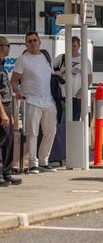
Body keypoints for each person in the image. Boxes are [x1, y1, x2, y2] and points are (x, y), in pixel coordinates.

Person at [10, 31, 57, 174]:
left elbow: (50, 75)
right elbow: (13, 80)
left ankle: (44, 161)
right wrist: (18, 91)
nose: (32, 43)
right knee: (32, 133)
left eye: (35, 40)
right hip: (31, 100)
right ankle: (32, 163)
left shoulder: (45, 57)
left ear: (39, 42)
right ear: (26, 44)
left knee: (50, 132)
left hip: (48, 100)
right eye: (29, 41)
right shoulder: (23, 59)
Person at [52, 36, 92, 122]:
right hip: (62, 96)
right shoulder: (62, 57)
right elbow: (49, 67)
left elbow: (89, 78)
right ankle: (62, 136)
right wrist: (57, 72)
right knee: (61, 121)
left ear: (79, 46)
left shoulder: (85, 60)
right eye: (70, 46)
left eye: (74, 46)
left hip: (76, 97)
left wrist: (82, 91)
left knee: (74, 122)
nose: (72, 48)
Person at [0, 37, 21, 186]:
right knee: (1, 141)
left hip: (6, 105)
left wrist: (10, 114)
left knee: (8, 140)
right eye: (0, 45)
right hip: (1, 106)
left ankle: (6, 172)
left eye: (5, 45)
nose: (3, 48)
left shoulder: (2, 64)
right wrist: (2, 113)